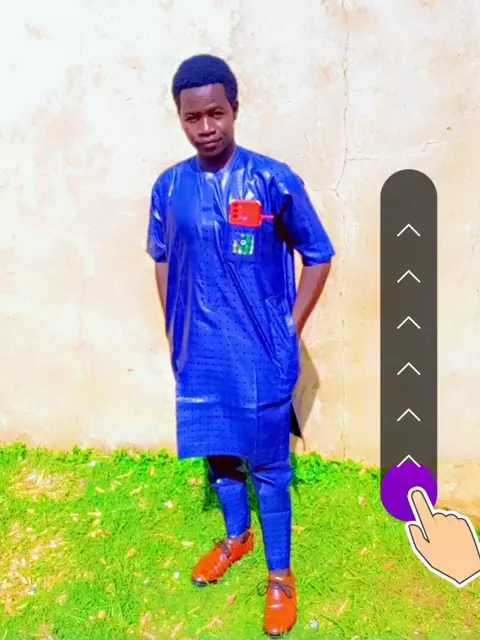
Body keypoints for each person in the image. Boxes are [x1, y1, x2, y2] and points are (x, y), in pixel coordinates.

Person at [146, 53, 335, 636]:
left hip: (260, 353)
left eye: (216, 113)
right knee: (220, 454)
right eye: (192, 117)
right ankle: (236, 537)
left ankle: (280, 576)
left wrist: (289, 328)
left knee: (271, 466)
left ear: (234, 108)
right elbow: (161, 257)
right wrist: (174, 329)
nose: (206, 127)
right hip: (199, 353)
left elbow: (318, 254)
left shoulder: (273, 179)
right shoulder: (169, 187)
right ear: (180, 118)